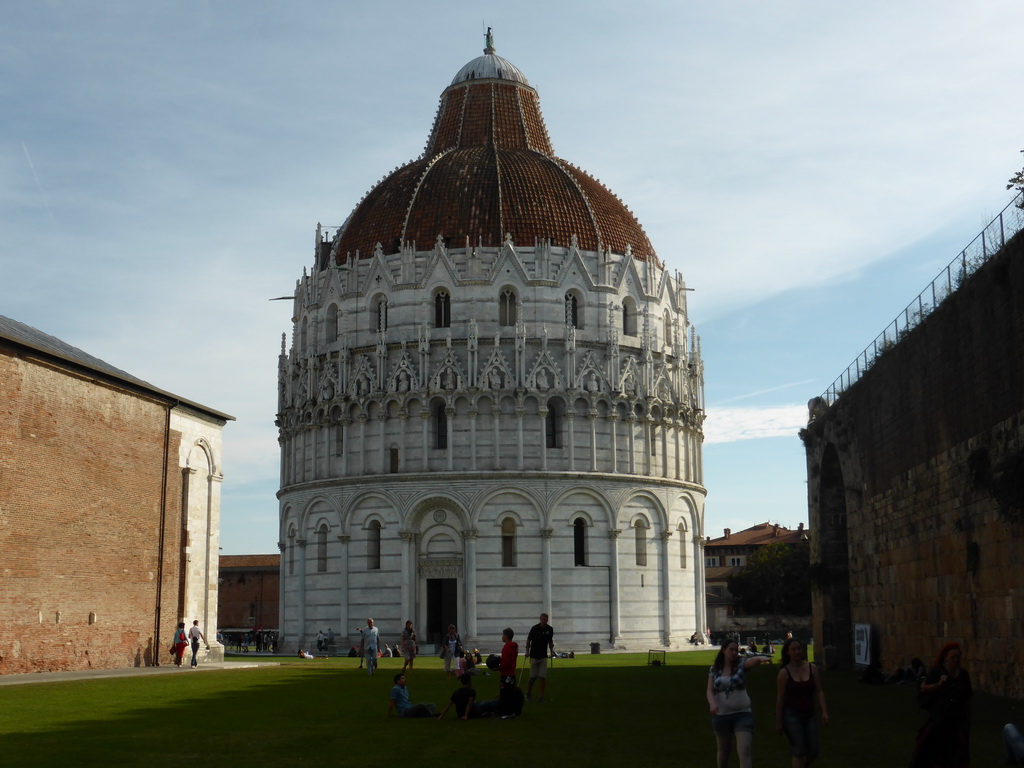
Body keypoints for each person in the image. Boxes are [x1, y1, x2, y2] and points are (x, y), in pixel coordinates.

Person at [706, 638, 772, 768]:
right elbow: (709, 690)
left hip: (742, 714)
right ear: (724, 650)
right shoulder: (714, 669)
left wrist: (759, 659)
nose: (734, 652)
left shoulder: (741, 664)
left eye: (736, 650)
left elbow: (750, 662)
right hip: (721, 716)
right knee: (724, 752)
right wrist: (712, 704)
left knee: (744, 750)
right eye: (731, 649)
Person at [910, 642, 972, 768]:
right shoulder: (937, 671)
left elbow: (967, 697)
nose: (956, 660)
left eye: (958, 657)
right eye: (953, 657)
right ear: (945, 658)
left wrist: (967, 719)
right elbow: (923, 688)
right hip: (939, 719)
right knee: (928, 751)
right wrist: (938, 684)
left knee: (958, 755)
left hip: (957, 721)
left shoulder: (963, 675)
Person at [775, 637, 828, 767]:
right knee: (798, 750)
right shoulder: (784, 673)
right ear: (788, 652)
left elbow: (819, 691)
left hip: (810, 714)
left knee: (814, 751)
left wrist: (824, 711)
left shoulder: (812, 668)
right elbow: (780, 698)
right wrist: (779, 721)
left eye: (799, 648)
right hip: (791, 715)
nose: (797, 652)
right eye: (793, 649)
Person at [525, 612, 555, 702]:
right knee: (533, 676)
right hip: (534, 655)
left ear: (547, 620)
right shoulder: (535, 628)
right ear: (540, 619)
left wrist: (551, 650)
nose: (544, 621)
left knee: (542, 677)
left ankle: (541, 697)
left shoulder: (550, 629)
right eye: (542, 619)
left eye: (545, 620)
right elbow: (529, 640)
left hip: (543, 656)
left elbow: (550, 640)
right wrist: (527, 651)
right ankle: (528, 692)